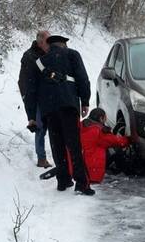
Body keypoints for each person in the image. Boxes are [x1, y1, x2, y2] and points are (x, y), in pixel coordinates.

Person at [24, 35, 94, 195]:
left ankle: (63, 181)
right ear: (63, 44)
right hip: (68, 105)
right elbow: (83, 79)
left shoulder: (39, 63)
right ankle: (81, 184)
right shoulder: (72, 54)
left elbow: (31, 91)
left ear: (49, 46)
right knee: (74, 146)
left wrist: (31, 116)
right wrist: (85, 101)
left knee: (57, 146)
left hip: (49, 109)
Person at [18, 30, 52, 168]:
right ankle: (41, 158)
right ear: (41, 42)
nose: (49, 44)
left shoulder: (47, 53)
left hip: (47, 96)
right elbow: (26, 81)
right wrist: (29, 105)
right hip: (35, 97)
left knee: (48, 127)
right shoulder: (30, 57)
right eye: (47, 41)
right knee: (40, 128)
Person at [80, 108, 130, 184]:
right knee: (115, 149)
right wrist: (129, 139)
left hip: (78, 167)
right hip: (92, 172)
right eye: (104, 118)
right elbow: (117, 141)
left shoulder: (81, 126)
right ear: (101, 118)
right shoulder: (99, 132)